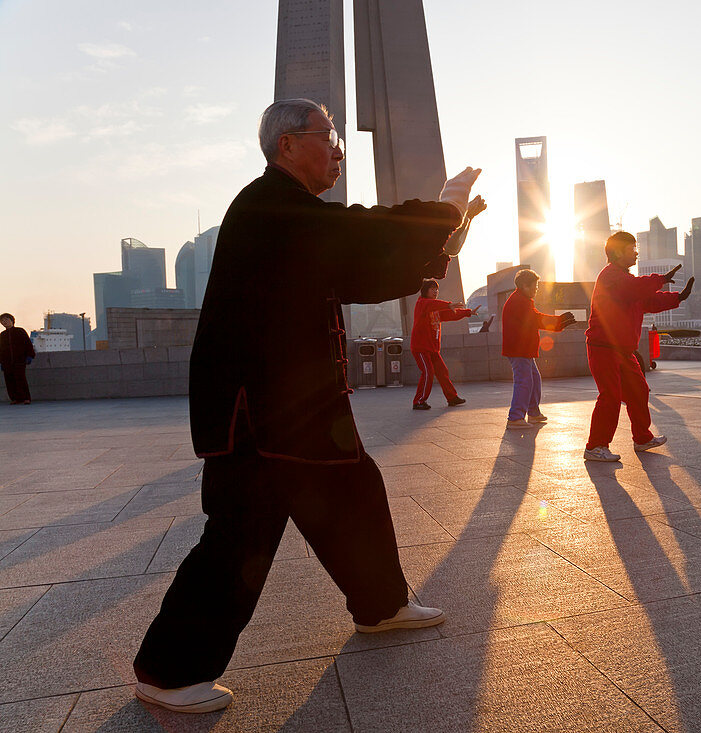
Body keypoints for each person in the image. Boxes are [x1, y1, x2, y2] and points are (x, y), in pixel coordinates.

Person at [133, 98, 483, 713]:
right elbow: (355, 236)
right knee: (242, 530)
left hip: (296, 404)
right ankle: (166, 672)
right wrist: (442, 209)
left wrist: (448, 231)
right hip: (259, 411)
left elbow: (362, 272)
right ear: (288, 144)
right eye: (330, 137)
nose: (339, 150)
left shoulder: (291, 213)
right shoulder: (268, 205)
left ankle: (380, 605)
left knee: (354, 492)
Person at [584, 232, 693, 461]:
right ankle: (595, 446)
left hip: (622, 351)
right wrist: (660, 279)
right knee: (610, 396)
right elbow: (636, 289)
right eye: (632, 248)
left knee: (639, 390)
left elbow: (647, 301)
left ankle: (642, 438)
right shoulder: (611, 277)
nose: (636, 252)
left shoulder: (625, 280)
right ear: (617, 252)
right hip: (603, 347)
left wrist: (677, 298)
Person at [501, 269, 576, 429]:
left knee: (533, 379)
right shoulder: (519, 301)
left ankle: (533, 413)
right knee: (524, 381)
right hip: (519, 350)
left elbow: (535, 317)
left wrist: (558, 322)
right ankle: (515, 417)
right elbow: (535, 319)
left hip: (523, 349)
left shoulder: (522, 300)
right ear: (523, 286)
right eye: (534, 287)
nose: (536, 290)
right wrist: (559, 322)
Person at [411, 278, 479, 409]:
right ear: (425, 291)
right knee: (428, 372)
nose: (435, 291)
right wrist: (448, 304)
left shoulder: (436, 310)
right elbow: (431, 304)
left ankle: (452, 398)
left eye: (437, 289)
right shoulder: (421, 304)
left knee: (442, 371)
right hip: (420, 348)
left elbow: (451, 314)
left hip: (432, 349)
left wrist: (468, 312)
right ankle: (418, 401)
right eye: (432, 289)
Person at [0, 313, 34, 404]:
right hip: (7, 362)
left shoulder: (20, 331)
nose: (5, 322)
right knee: (9, 381)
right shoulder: (2, 335)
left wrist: (30, 356)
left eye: (7, 320)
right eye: (2, 321)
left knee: (21, 380)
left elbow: (28, 344)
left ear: (12, 321)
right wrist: (1, 362)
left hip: (19, 361)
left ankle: (26, 398)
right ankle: (15, 399)